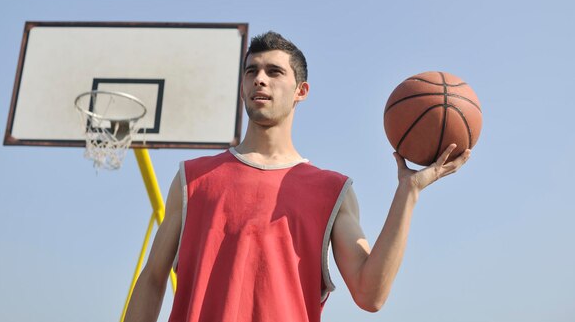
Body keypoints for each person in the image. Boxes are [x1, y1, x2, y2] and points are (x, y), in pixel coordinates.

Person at [123, 31, 471, 322]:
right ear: (242, 87)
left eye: (274, 72)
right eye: (251, 71)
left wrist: (408, 192)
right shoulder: (192, 178)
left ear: (300, 91)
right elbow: (154, 278)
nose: (260, 78)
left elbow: (371, 294)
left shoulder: (332, 190)